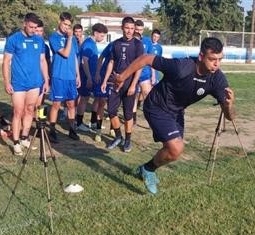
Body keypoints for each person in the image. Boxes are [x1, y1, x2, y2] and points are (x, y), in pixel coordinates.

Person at [115, 37, 235, 194]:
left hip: (177, 111)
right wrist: (121, 77)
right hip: (156, 106)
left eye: (220, 59)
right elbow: (146, 58)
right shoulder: (182, 67)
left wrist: (228, 106)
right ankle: (148, 170)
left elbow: (230, 117)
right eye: (212, 59)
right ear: (201, 57)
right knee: (176, 148)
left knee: (171, 151)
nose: (216, 64)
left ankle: (144, 169)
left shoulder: (217, 78)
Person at [2, 13, 49, 155]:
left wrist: (46, 80)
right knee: (18, 112)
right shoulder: (14, 39)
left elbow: (42, 61)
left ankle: (24, 138)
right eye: (31, 27)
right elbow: (5, 62)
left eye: (36, 27)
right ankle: (15, 142)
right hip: (18, 83)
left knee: (30, 110)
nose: (33, 30)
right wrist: (6, 81)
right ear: (24, 24)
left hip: (35, 83)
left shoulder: (39, 41)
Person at [101, 16, 144, 152]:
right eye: (127, 28)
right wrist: (104, 80)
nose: (129, 31)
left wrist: (133, 85)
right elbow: (111, 62)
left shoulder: (138, 45)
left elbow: (139, 67)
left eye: (132, 28)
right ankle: (118, 136)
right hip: (115, 82)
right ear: (122, 28)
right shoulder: (116, 44)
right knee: (112, 111)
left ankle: (128, 140)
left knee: (128, 114)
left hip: (129, 83)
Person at [48, 12, 81, 143]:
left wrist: (77, 75)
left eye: (69, 25)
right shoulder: (54, 37)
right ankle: (52, 130)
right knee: (56, 104)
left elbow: (73, 57)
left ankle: (72, 130)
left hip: (71, 77)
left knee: (71, 104)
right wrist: (69, 38)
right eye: (65, 24)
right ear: (59, 22)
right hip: (58, 76)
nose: (67, 27)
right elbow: (66, 54)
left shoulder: (72, 39)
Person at [76, 23, 108, 141]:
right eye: (102, 35)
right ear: (95, 33)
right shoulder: (88, 44)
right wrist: (89, 77)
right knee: (84, 99)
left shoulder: (92, 44)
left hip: (92, 77)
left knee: (96, 98)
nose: (103, 38)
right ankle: (79, 123)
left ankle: (94, 121)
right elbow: (84, 61)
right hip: (86, 77)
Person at [133, 20, 153, 126]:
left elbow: (151, 58)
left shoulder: (147, 41)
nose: (139, 31)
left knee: (148, 96)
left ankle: (152, 119)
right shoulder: (131, 40)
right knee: (134, 96)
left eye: (140, 30)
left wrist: (153, 74)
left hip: (145, 74)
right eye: (137, 29)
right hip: (133, 73)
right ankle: (133, 119)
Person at [35, 19, 51, 108]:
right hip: (31, 77)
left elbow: (48, 62)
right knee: (30, 103)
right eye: (37, 31)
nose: (38, 33)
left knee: (41, 102)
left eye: (41, 31)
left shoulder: (45, 47)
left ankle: (40, 120)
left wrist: (48, 76)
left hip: (42, 77)